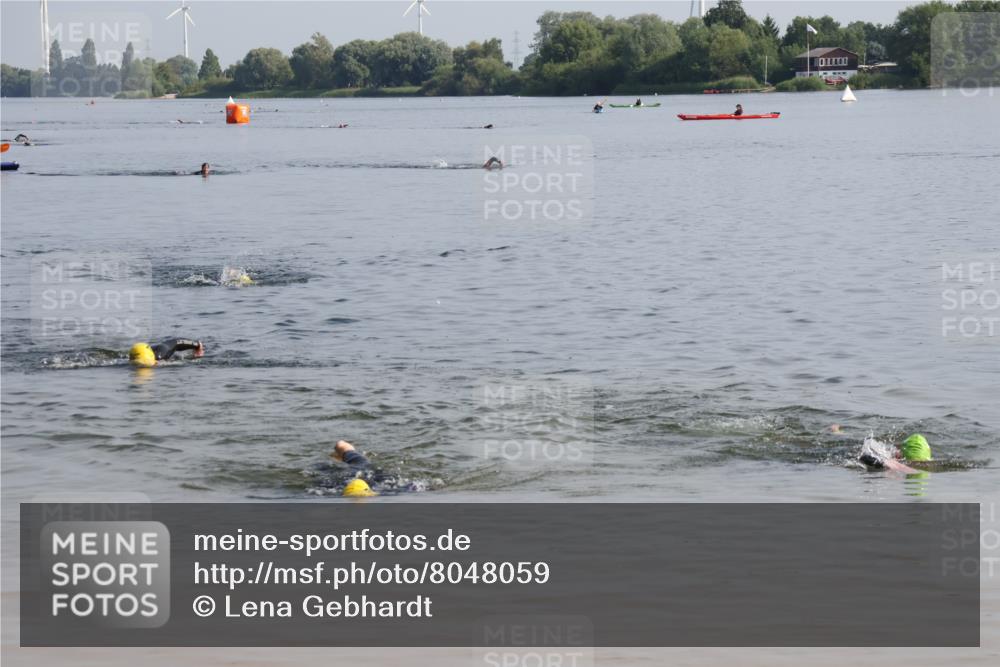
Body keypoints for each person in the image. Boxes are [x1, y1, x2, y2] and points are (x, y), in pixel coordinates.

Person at [859, 433, 932, 473]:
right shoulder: (929, 469)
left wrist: (885, 463)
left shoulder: (896, 466)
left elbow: (864, 457)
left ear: (899, 454)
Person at [128, 339, 205, 367]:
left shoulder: (162, 355)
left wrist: (197, 345)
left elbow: (176, 342)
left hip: (162, 348)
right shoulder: (132, 360)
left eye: (145, 362)